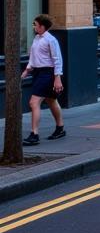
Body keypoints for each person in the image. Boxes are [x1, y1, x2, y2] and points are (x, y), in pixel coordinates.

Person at [21, 14, 65, 145]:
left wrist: (58, 78)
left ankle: (34, 134)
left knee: (34, 102)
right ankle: (60, 128)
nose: (34, 27)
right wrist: (27, 70)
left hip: (48, 73)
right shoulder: (37, 38)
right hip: (38, 72)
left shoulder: (51, 40)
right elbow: (33, 57)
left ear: (42, 26)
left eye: (35, 24)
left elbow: (57, 60)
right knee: (51, 100)